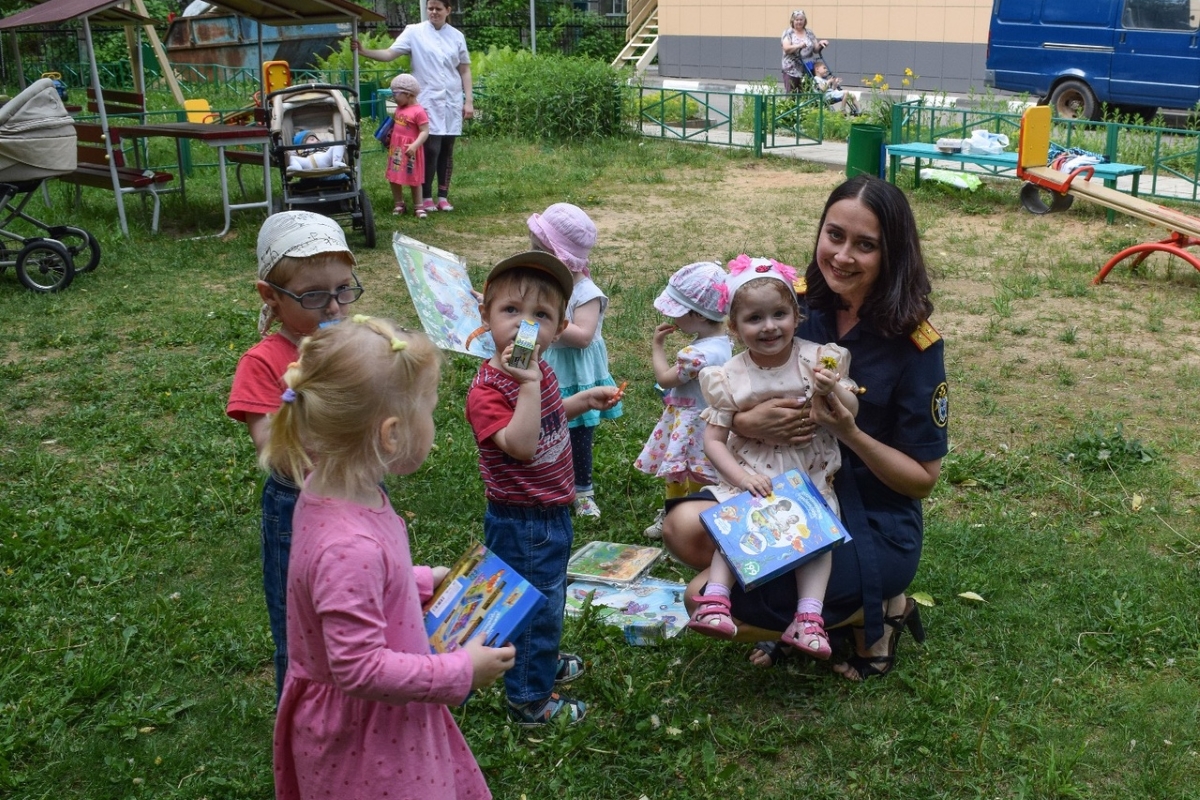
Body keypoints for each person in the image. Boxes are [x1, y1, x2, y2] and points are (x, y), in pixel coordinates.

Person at [661, 176, 947, 681]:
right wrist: (748, 422)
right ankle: (821, 608)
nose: (842, 256)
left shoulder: (914, 343)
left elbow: (922, 479)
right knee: (682, 528)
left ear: (892, 253)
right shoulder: (794, 307)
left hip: (867, 510)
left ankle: (877, 608)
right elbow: (740, 385)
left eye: (866, 245)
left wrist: (849, 432)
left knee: (697, 594)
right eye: (834, 235)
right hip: (777, 483)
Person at [265, 317, 514, 799]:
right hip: (367, 744)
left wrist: (420, 580)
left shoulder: (335, 491)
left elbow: (349, 588)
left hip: (381, 721)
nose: (435, 424)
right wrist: (461, 670)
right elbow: (359, 668)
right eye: (432, 411)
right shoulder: (348, 546)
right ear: (392, 434)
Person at [661, 256, 860, 660]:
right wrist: (739, 477)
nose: (769, 326)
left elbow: (851, 411)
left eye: (779, 314)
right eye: (754, 319)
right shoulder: (728, 375)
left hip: (809, 473)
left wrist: (834, 388)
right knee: (737, 526)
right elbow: (713, 440)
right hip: (753, 472)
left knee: (816, 539)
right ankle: (716, 598)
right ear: (734, 327)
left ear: (797, 316)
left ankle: (809, 618)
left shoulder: (817, 359)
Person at [466, 251, 622, 725]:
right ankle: (529, 699)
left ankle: (540, 658)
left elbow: (550, 418)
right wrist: (530, 385)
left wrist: (579, 402)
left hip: (552, 511)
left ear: (557, 331)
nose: (524, 325)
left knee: (548, 599)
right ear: (485, 317)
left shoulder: (541, 370)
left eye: (541, 316)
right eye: (511, 311)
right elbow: (520, 444)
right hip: (522, 518)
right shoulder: (490, 389)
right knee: (535, 605)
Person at [225, 211, 364, 702]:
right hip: (298, 509)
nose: (333, 307)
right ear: (270, 296)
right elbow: (273, 449)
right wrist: (313, 388)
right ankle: (304, 720)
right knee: (300, 620)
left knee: (358, 602)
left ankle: (357, 697)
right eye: (312, 296)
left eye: (344, 289)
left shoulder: (350, 344)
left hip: (359, 494)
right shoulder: (263, 363)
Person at [531, 203, 623, 518]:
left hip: (576, 375)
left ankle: (582, 490)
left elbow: (583, 335)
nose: (530, 255)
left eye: (538, 249)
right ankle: (546, 481)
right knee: (543, 427)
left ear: (560, 258)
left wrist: (546, 317)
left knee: (577, 434)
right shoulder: (544, 287)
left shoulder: (585, 291)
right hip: (548, 369)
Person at [635, 261, 732, 539]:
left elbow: (665, 379)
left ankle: (675, 519)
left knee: (678, 470)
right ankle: (702, 519)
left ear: (699, 316)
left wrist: (657, 346)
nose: (672, 318)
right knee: (704, 473)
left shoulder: (695, 355)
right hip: (713, 422)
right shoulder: (726, 346)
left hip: (690, 424)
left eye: (678, 313)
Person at [354, 0, 472, 213]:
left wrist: (468, 100)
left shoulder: (457, 36)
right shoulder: (414, 32)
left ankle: (443, 196)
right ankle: (426, 196)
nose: (433, 12)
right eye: (430, 8)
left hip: (452, 99)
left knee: (447, 148)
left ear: (448, 10)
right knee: (431, 148)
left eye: (438, 9)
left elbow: (464, 70)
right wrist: (365, 51)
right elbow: (390, 54)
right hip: (426, 101)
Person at [385, 73, 430, 217]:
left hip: (411, 150)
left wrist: (415, 145)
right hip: (397, 149)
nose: (393, 97)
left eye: (395, 94)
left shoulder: (419, 111)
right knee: (394, 175)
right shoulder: (399, 108)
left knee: (413, 177)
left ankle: (419, 207)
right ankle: (399, 204)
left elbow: (425, 131)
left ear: (408, 94)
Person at [781, 9, 828, 92]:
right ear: (793, 21)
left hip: (807, 68)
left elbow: (815, 50)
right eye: (797, 20)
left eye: (801, 19)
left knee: (807, 92)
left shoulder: (809, 32)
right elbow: (786, 48)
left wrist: (821, 44)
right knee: (792, 94)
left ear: (804, 20)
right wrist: (798, 46)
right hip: (792, 69)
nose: (799, 22)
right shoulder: (788, 32)